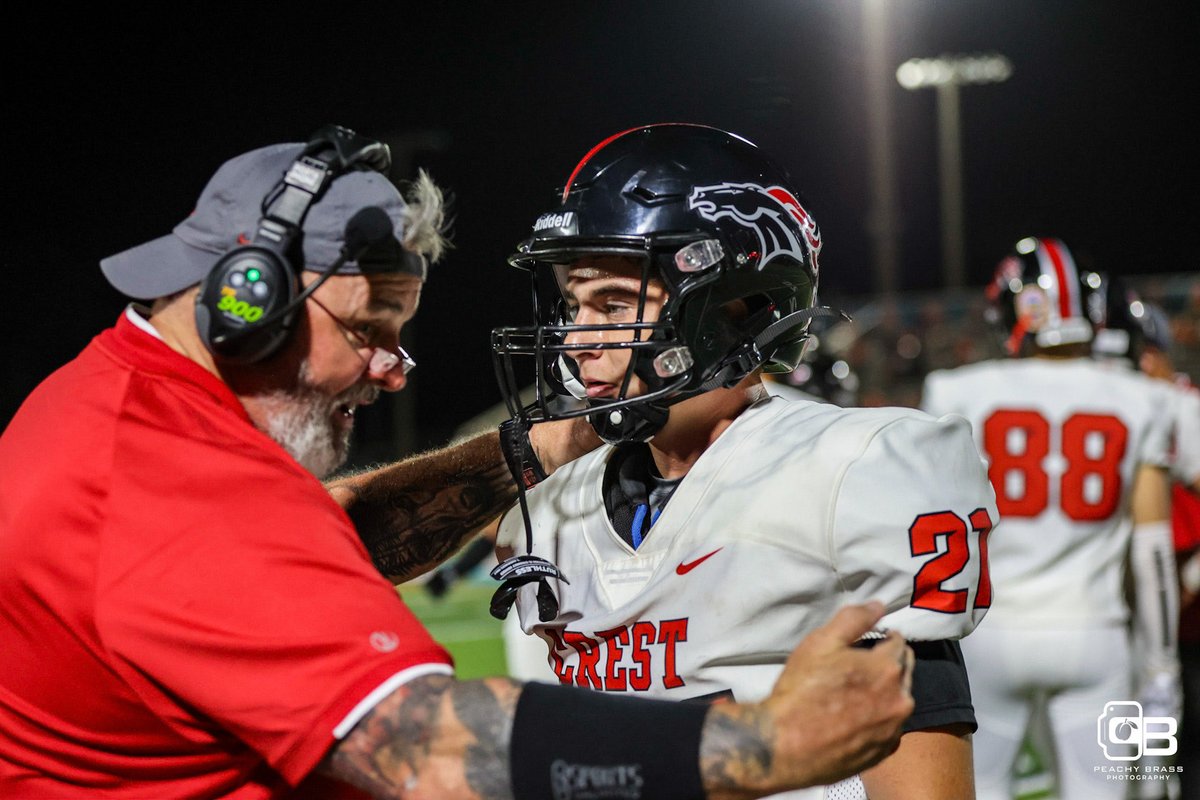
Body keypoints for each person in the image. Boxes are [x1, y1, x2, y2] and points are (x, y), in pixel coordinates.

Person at [0, 124, 919, 799]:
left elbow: (322, 543)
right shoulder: (172, 479)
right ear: (251, 299)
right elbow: (425, 749)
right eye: (368, 331)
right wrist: (767, 741)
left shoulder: (120, 403)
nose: (390, 372)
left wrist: (553, 442)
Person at [489, 123, 998, 800]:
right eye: (573, 304)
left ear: (733, 305)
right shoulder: (550, 508)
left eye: (613, 302)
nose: (578, 340)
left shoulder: (856, 470)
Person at [920, 237, 1180, 800]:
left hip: (988, 632)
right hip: (1095, 631)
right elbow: (1152, 549)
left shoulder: (956, 391)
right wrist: (1161, 666)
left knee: (977, 790)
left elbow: (928, 529)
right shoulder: (1140, 398)